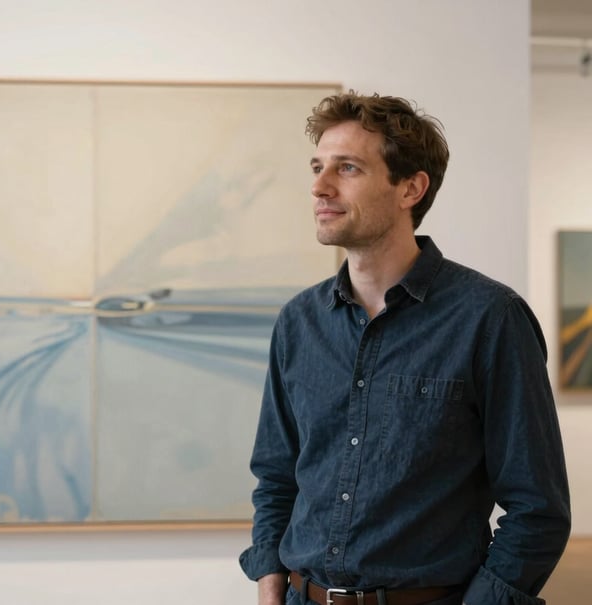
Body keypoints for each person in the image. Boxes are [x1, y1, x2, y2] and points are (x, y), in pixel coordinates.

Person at [239, 91, 571, 605]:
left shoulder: (489, 318)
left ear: (410, 188)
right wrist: (269, 587)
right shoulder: (298, 323)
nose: (319, 187)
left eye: (347, 168)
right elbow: (277, 477)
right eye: (317, 166)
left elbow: (537, 508)